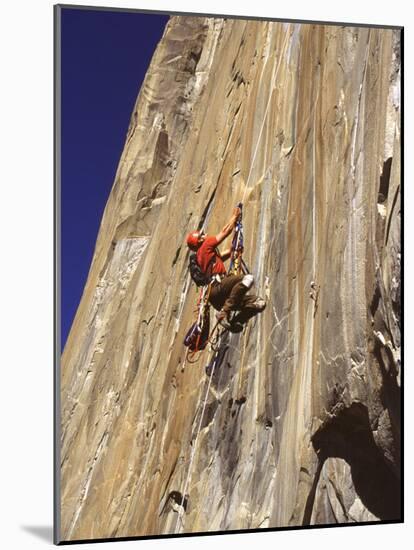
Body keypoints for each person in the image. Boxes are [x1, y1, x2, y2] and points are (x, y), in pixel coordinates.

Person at [186, 206, 266, 331]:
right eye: (202, 234)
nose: (205, 234)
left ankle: (236, 321)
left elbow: (224, 255)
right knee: (248, 278)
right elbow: (225, 231)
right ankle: (224, 313)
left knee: (258, 303)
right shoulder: (206, 245)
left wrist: (234, 250)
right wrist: (235, 216)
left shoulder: (202, 256)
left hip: (217, 298)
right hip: (219, 287)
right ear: (200, 240)